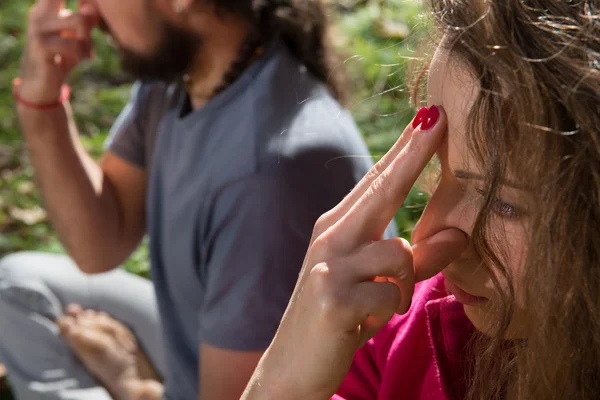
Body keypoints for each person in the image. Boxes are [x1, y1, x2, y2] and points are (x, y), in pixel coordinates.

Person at [0, 0, 397, 399]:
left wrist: (131, 384)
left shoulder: (266, 177)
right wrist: (42, 102)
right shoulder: (185, 76)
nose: (87, 9)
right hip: (203, 353)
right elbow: (98, 245)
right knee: (18, 287)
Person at [240, 0, 600, 399]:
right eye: (436, 171)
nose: (426, 232)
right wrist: (282, 382)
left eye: (504, 203)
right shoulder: (408, 338)